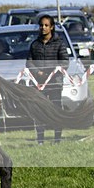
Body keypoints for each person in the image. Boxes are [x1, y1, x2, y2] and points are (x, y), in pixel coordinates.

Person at [26, 14, 69, 144]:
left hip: (55, 83)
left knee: (56, 110)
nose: (43, 28)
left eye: (46, 25)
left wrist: (53, 72)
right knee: (39, 111)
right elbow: (29, 62)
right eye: (41, 25)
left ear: (51, 27)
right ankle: (40, 140)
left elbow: (65, 62)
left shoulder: (60, 43)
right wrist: (37, 72)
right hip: (39, 84)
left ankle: (57, 140)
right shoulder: (34, 44)